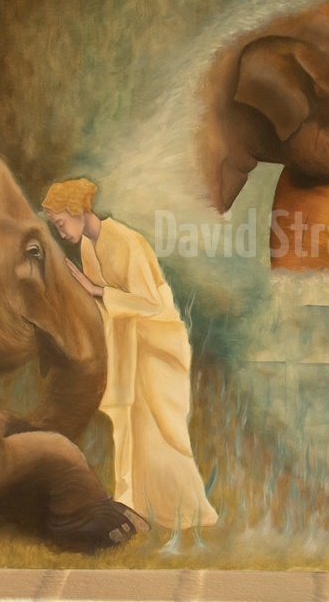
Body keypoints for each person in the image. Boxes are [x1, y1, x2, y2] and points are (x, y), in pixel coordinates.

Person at [41, 179, 218, 531]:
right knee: (126, 426)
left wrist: (97, 291)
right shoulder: (88, 246)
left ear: (77, 211)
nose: (60, 233)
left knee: (161, 429)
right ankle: (131, 505)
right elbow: (104, 304)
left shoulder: (126, 241)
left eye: (60, 223)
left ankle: (185, 512)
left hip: (157, 344)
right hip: (127, 344)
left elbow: (151, 304)